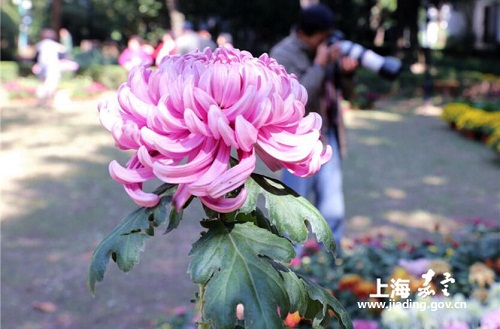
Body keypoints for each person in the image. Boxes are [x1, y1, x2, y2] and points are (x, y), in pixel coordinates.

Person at [270, 4, 358, 253]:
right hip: (295, 143)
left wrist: (347, 73)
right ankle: (289, 264)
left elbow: (348, 95)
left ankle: (331, 260)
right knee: (294, 209)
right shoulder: (282, 54)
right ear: (309, 34)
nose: (328, 41)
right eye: (324, 36)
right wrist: (319, 67)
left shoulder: (327, 51)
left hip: (327, 137)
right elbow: (294, 100)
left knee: (333, 208)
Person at [33, 28, 66, 108]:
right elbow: (64, 50)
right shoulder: (55, 45)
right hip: (52, 67)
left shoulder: (40, 44)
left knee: (41, 84)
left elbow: (35, 56)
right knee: (51, 85)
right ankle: (48, 102)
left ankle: (39, 102)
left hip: (42, 67)